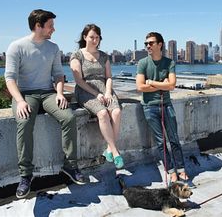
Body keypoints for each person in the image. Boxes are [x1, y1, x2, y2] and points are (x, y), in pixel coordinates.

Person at [5, 9, 85, 199]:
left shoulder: (53, 48)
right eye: (50, 26)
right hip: (25, 94)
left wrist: (59, 93)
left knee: (68, 117)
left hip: (48, 93)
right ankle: (25, 175)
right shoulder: (16, 47)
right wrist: (20, 101)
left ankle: (70, 166)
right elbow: (10, 79)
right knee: (23, 122)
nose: (54, 29)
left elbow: (58, 74)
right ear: (38, 26)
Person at [136, 32, 189, 183]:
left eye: (151, 43)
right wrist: (161, 85)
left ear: (160, 44)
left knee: (174, 139)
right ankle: (171, 171)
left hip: (166, 105)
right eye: (146, 43)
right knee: (161, 142)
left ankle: (181, 169)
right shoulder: (142, 63)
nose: (147, 46)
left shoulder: (169, 62)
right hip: (149, 107)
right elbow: (140, 87)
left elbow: (171, 85)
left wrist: (151, 82)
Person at [69, 24, 124, 169]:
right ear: (85, 37)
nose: (95, 40)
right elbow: (79, 80)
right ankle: (116, 152)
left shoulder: (104, 56)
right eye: (92, 37)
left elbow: (109, 77)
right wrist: (97, 94)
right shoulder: (77, 56)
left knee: (117, 112)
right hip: (85, 90)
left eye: (97, 37)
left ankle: (108, 149)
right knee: (103, 113)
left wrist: (107, 92)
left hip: (104, 87)